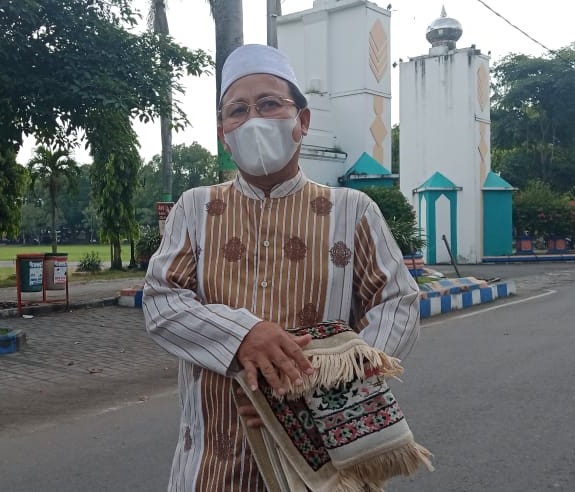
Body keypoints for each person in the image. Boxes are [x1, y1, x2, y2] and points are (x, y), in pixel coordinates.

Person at [143, 44, 421, 491]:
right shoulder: (194, 208)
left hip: (327, 460)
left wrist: (321, 386)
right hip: (213, 464)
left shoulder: (352, 211)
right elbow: (161, 301)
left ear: (302, 121)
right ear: (223, 133)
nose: (253, 118)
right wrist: (243, 337)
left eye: (269, 104)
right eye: (237, 110)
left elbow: (398, 302)